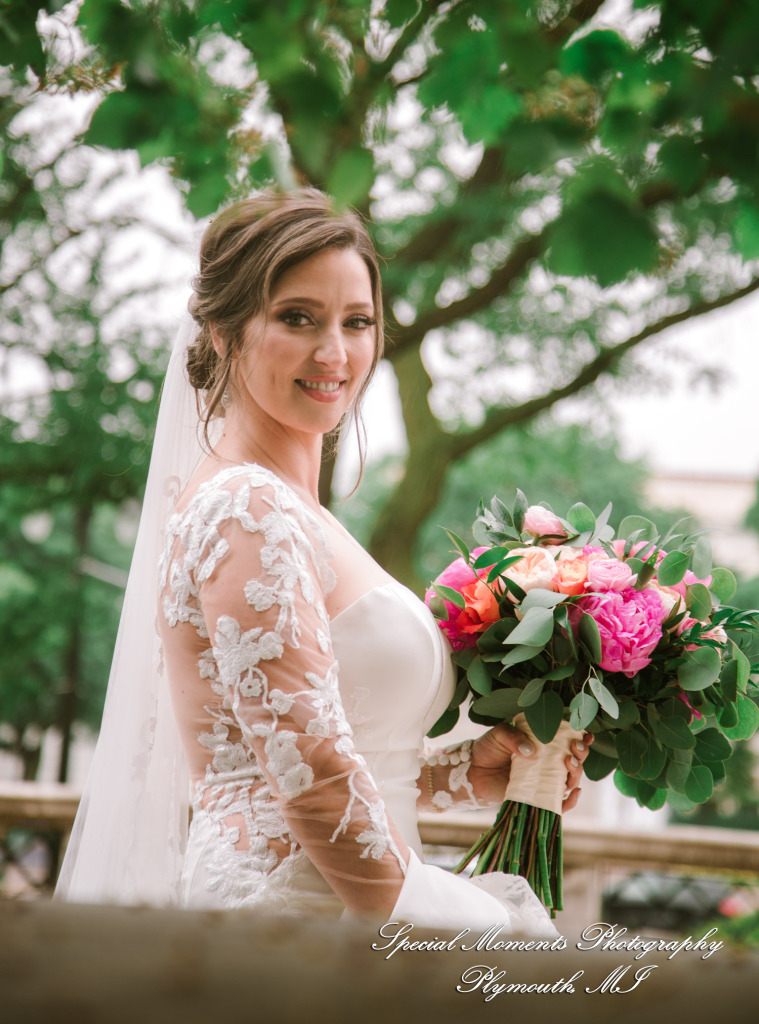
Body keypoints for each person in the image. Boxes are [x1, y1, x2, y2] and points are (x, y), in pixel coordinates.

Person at [56, 189, 588, 932]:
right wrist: (494, 930)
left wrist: (467, 770)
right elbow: (311, 788)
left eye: (356, 322)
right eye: (296, 317)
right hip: (299, 929)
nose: (334, 353)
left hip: (352, 909)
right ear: (221, 330)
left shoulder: (294, 514)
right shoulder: (247, 509)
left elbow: (321, 752)